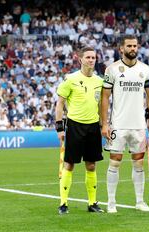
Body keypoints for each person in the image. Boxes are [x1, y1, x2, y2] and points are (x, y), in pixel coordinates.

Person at [100, 35, 149, 213]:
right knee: (115, 162)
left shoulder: (145, 69)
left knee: (138, 163)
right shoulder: (112, 69)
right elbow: (105, 97)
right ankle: (111, 203)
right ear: (121, 49)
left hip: (139, 125)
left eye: (135, 46)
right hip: (118, 124)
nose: (133, 48)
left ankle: (140, 201)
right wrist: (104, 124)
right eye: (129, 46)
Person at [55, 46, 104, 214]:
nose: (91, 60)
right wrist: (59, 127)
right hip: (75, 126)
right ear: (80, 59)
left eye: (93, 57)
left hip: (93, 126)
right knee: (69, 165)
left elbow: (101, 105)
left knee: (91, 166)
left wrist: (104, 125)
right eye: (88, 57)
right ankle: (63, 203)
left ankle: (92, 203)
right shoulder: (70, 79)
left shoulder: (99, 81)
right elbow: (60, 103)